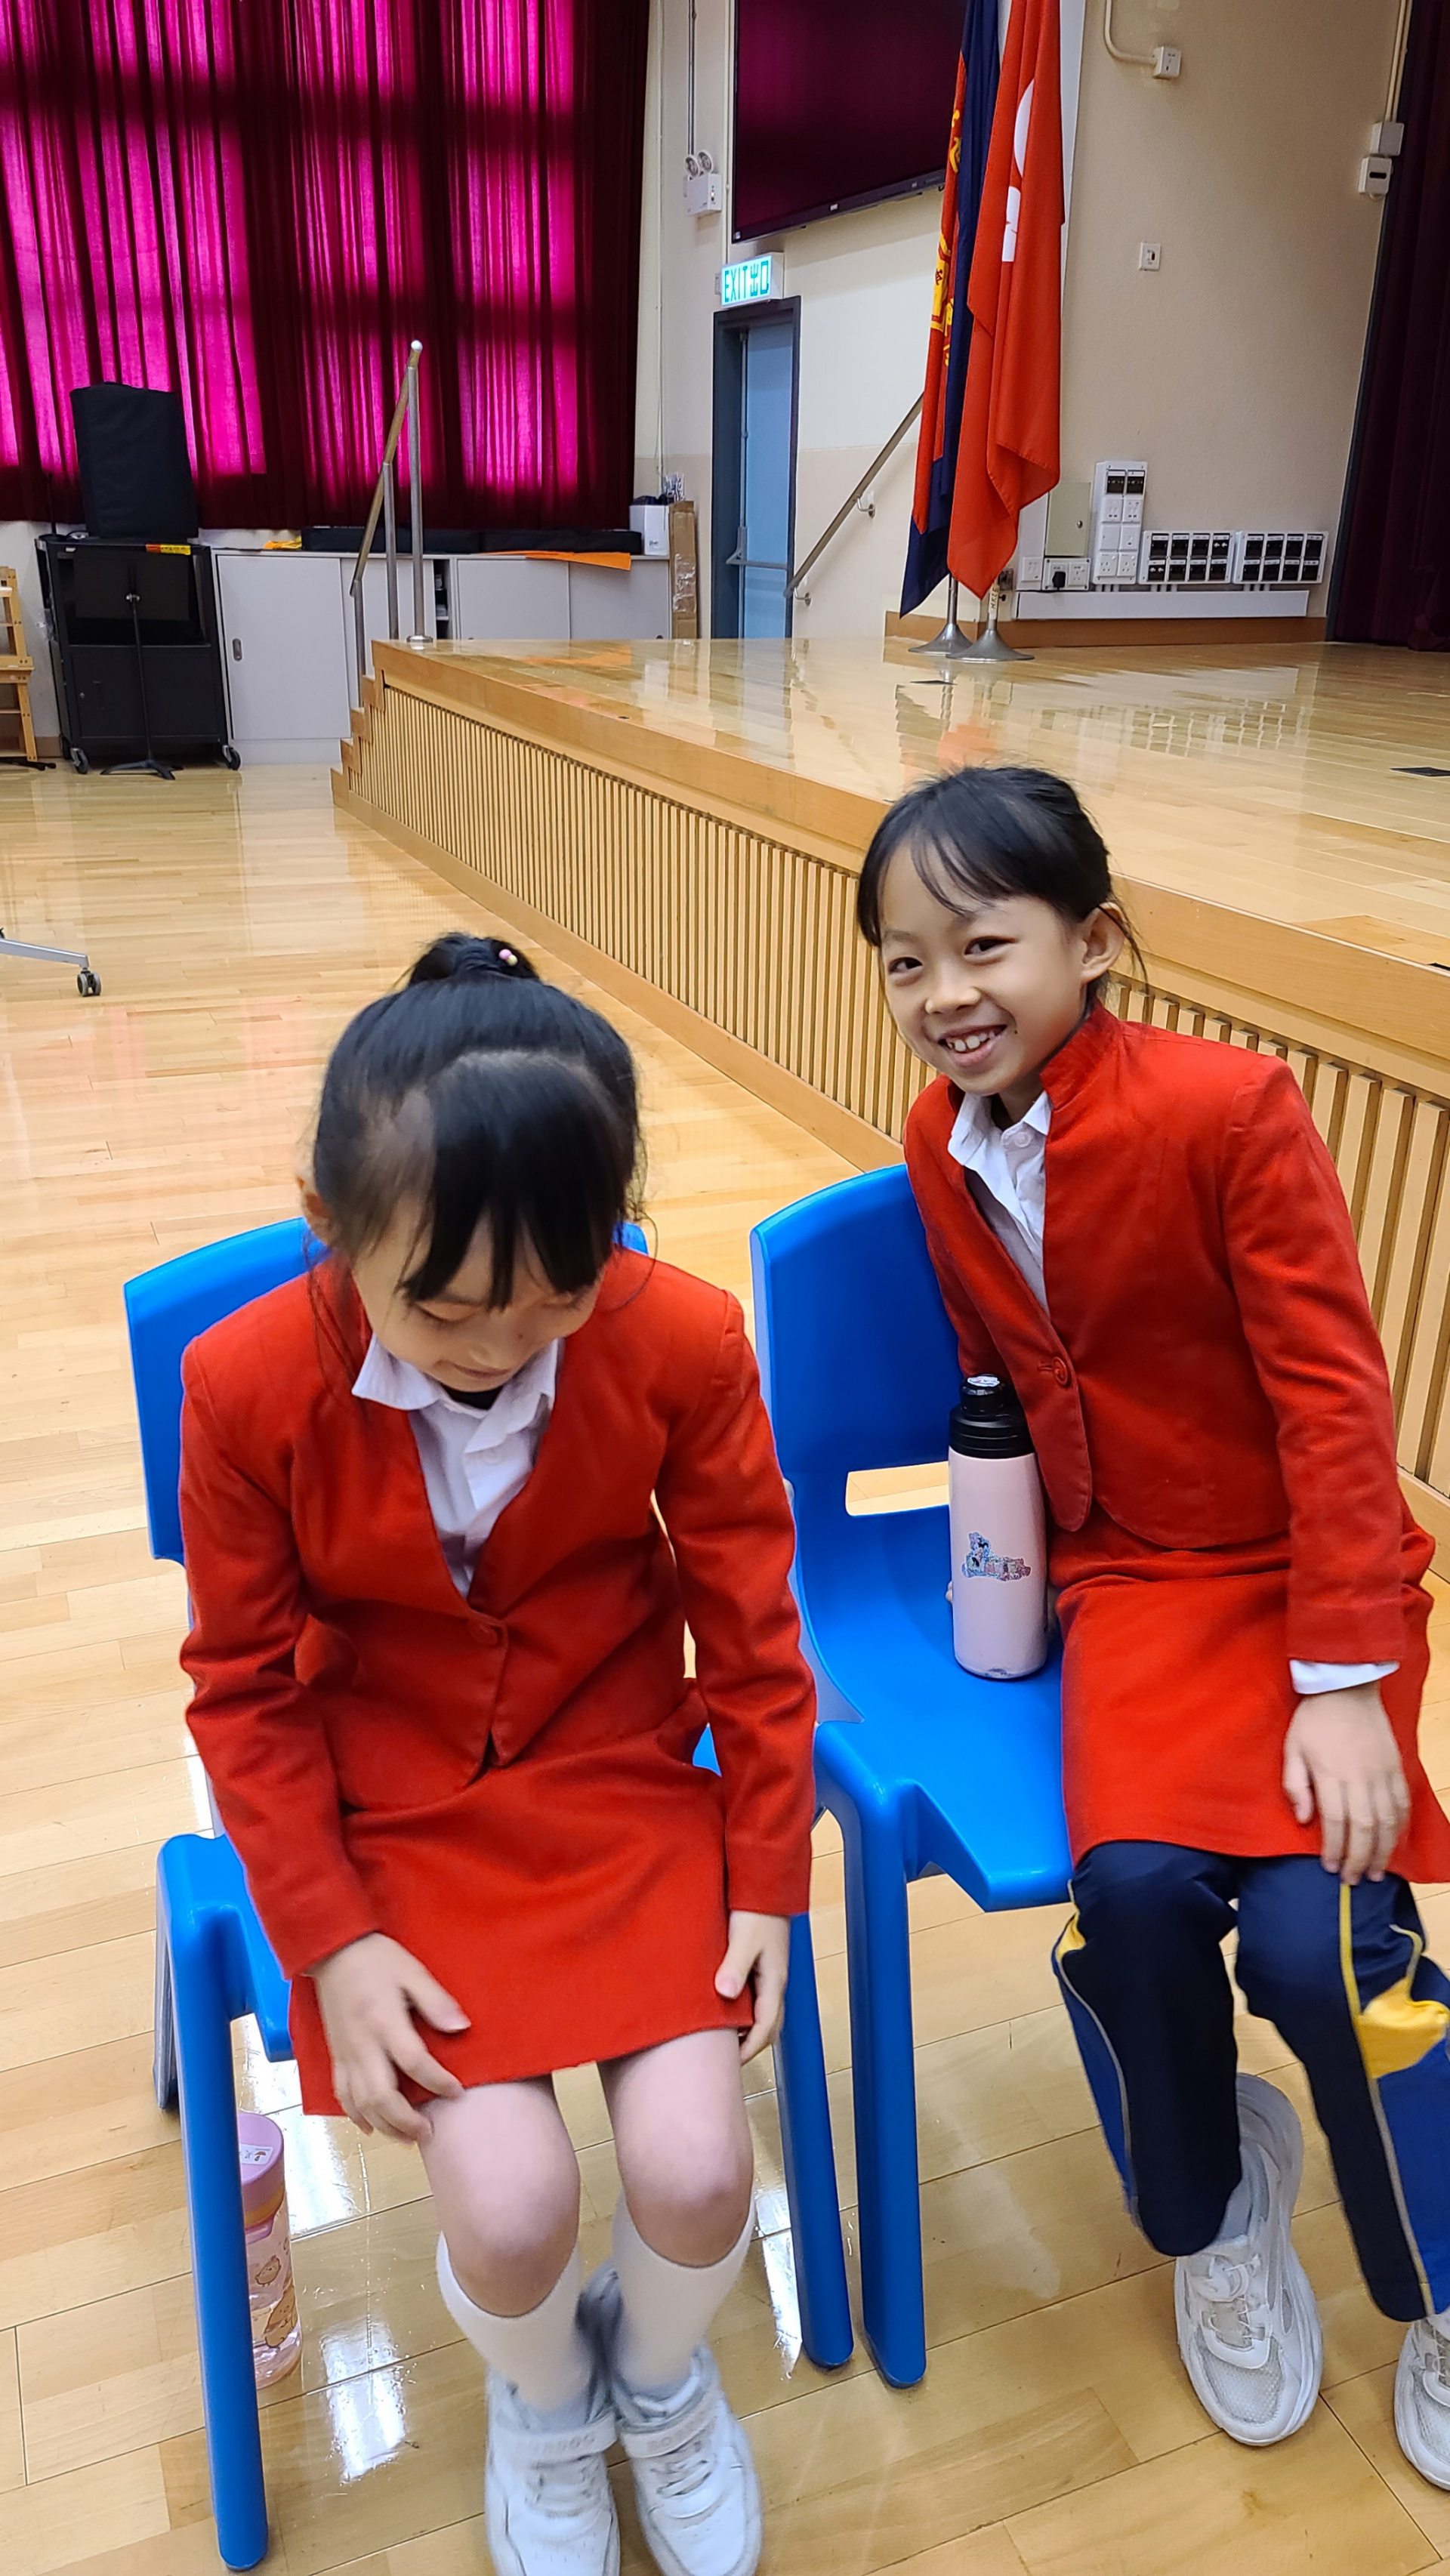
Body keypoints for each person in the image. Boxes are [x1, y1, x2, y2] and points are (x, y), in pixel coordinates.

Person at [178, 933, 816, 2576]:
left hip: (619, 1778)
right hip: (391, 1814)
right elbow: (241, 1689)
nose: (501, 1343)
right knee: (514, 2204)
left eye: (559, 1293)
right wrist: (331, 1939)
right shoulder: (242, 1385)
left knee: (699, 2170)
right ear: (327, 1224)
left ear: (614, 1225)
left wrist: (768, 1873)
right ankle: (541, 2401)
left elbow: (755, 1633)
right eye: (445, 1306)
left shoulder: (683, 1339)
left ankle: (657, 2375)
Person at [858, 764, 1450, 2482]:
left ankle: (1440, 2278)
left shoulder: (1232, 1107)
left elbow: (1337, 1404)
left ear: (1094, 940)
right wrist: (1004, 1591)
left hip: (1299, 1586)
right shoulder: (935, 1144)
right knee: (1124, 1908)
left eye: (984, 944)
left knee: (1326, 1955)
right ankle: (1215, 2213)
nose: (946, 992)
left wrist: (1342, 1681)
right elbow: (1007, 1381)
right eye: (906, 962)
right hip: (1126, 1592)